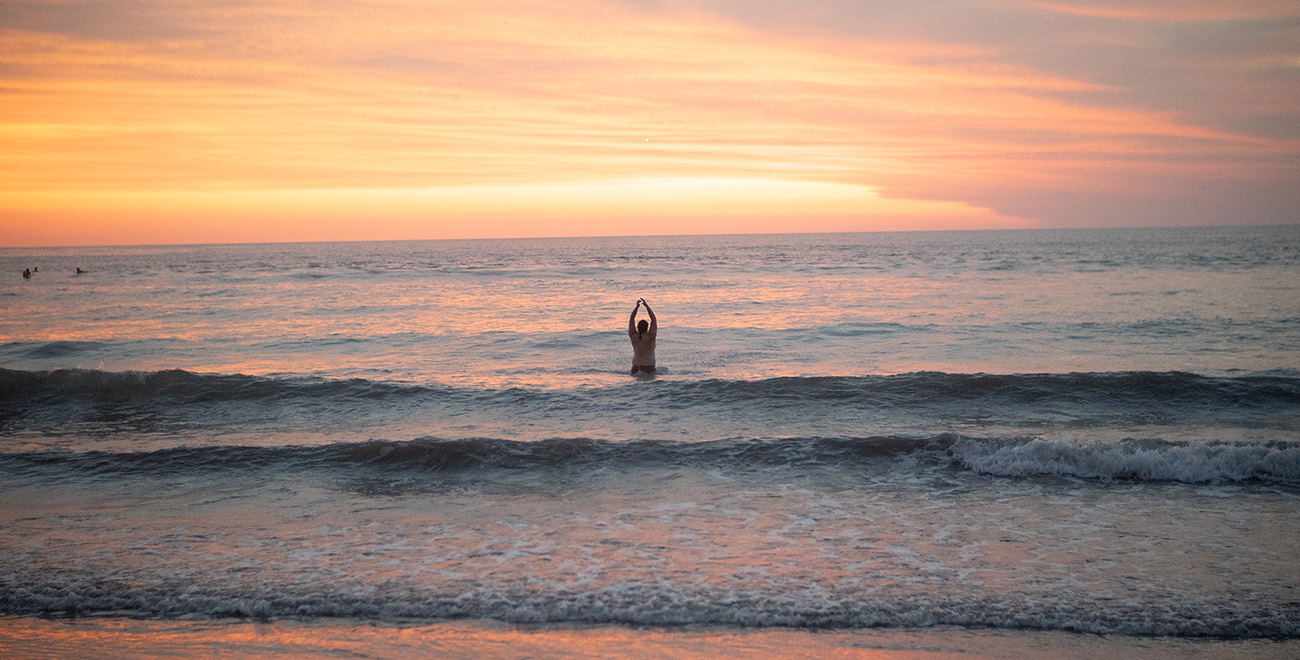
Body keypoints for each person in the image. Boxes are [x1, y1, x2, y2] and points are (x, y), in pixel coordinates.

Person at [628, 297, 657, 375]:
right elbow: (653, 319)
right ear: (647, 328)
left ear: (637, 327)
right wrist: (647, 307)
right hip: (649, 367)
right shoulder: (651, 336)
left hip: (635, 367)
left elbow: (631, 319)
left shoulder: (633, 336)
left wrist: (636, 307)